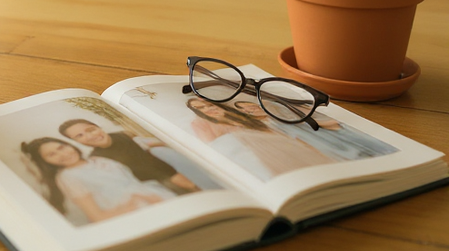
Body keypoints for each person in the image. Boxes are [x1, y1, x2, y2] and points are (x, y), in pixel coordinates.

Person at [20, 137, 176, 224]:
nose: (62, 154)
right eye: (52, 154)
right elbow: (96, 216)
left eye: (61, 147)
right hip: (129, 213)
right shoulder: (69, 177)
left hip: (155, 196)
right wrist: (134, 204)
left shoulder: (98, 160)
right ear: (46, 162)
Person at [185, 98, 332, 180]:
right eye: (201, 108)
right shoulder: (200, 123)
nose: (207, 109)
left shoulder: (240, 117)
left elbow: (270, 130)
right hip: (256, 152)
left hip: (280, 144)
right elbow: (214, 146)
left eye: (209, 105)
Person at [58, 118, 199, 193]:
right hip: (156, 186)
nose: (89, 136)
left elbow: (143, 145)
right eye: (80, 136)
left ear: (99, 127)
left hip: (171, 170)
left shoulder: (121, 135)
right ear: (76, 142)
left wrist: (159, 145)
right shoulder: (98, 159)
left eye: (91, 130)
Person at [231, 100, 397, 161]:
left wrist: (329, 124)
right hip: (310, 144)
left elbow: (306, 122)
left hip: (322, 133)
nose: (253, 110)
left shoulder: (279, 115)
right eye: (248, 111)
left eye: (252, 107)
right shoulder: (265, 126)